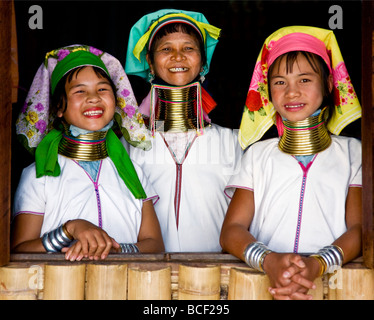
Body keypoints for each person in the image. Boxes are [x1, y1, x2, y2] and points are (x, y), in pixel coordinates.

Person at [220, 26, 362, 300]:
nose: (292, 92)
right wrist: (269, 261)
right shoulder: (257, 155)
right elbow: (231, 231)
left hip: (334, 289)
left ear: (329, 84)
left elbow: (360, 229)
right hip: (263, 285)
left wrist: (316, 265)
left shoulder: (353, 154)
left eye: (305, 80)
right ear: (267, 90)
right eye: (280, 82)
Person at [12, 45, 164, 261]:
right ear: (59, 108)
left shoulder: (133, 173)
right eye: (80, 91)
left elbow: (156, 245)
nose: (93, 97)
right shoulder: (38, 175)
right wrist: (69, 230)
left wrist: (112, 249)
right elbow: (19, 249)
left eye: (103, 89)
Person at [124, 9, 242, 252]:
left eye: (188, 48)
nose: (178, 57)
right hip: (143, 274)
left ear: (203, 61)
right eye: (166, 49)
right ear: (150, 61)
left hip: (216, 275)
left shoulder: (232, 143)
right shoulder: (128, 145)